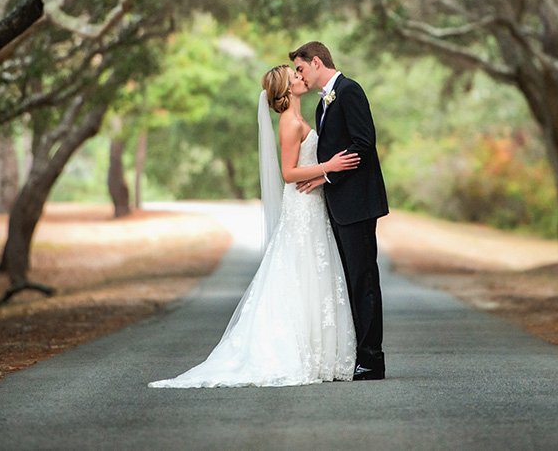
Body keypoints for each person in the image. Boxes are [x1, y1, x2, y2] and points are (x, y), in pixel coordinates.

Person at [148, 65, 359, 388]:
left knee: (312, 274)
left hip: (313, 204)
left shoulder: (304, 118)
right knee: (299, 274)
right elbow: (288, 173)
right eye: (295, 76)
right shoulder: (289, 123)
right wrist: (328, 167)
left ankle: (320, 355)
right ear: (287, 91)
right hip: (301, 205)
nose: (301, 78)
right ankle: (296, 352)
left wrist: (323, 174)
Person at [290, 42, 388, 381]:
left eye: (301, 69)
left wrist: (326, 174)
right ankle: (358, 354)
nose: (299, 76)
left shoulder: (349, 92)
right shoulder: (322, 104)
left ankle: (372, 360)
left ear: (317, 62)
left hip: (358, 203)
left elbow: (363, 143)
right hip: (338, 204)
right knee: (350, 281)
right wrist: (322, 176)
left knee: (364, 280)